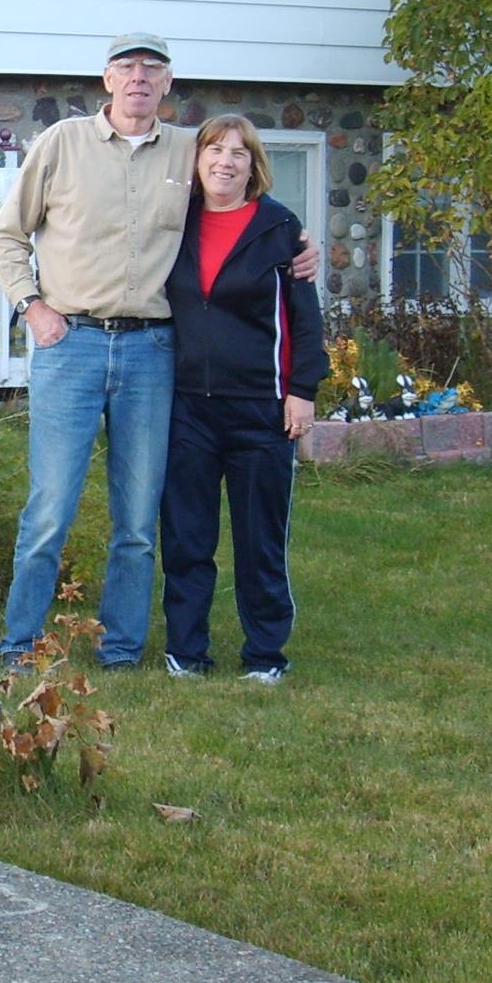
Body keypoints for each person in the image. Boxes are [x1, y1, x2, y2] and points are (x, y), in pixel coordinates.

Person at [0, 34, 317, 671]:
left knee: (138, 522)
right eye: (127, 68)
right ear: (106, 79)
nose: (139, 79)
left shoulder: (186, 152)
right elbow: (8, 235)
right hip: (72, 345)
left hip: (152, 355)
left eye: (152, 70)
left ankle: (122, 650)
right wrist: (33, 305)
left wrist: (298, 245)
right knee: (50, 510)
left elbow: (236, 204)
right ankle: (19, 646)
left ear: (168, 84)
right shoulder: (62, 144)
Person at [159, 114, 327, 685]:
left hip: (261, 409)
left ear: (254, 166)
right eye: (214, 150)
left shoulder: (280, 228)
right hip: (188, 409)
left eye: (239, 153)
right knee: (187, 536)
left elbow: (305, 320)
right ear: (197, 160)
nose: (225, 162)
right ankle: (186, 651)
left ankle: (265, 654)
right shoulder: (174, 224)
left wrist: (302, 390)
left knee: (259, 540)